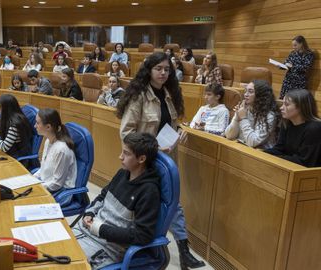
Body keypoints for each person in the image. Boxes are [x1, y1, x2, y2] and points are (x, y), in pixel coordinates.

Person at [116, 52, 205, 269]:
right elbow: (126, 132)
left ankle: (182, 252)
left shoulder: (168, 93)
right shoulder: (139, 96)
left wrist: (181, 130)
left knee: (172, 203)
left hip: (166, 160)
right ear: (149, 70)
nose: (163, 73)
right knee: (149, 202)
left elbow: (171, 123)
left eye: (167, 69)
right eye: (159, 69)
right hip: (144, 160)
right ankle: (171, 250)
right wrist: (152, 146)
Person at [73, 132, 161, 269]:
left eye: (126, 153)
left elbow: (143, 235)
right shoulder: (122, 174)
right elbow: (102, 196)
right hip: (87, 231)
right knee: (52, 247)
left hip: (107, 247)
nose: (120, 157)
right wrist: (89, 213)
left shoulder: (149, 191)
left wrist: (101, 229)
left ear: (142, 159)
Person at [265, 89, 321, 167]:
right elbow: (278, 149)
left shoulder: (315, 128)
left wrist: (275, 158)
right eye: (282, 104)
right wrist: (261, 153)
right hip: (289, 166)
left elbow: (304, 161)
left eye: (286, 104)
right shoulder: (287, 122)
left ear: (300, 107)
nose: (281, 108)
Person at [225, 80, 280, 149]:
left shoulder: (269, 116)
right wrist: (237, 117)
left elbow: (253, 142)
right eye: (245, 91)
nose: (245, 94)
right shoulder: (244, 109)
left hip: (261, 154)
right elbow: (229, 135)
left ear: (261, 95)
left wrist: (243, 118)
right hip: (243, 147)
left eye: (250, 92)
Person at [33, 108, 77, 193]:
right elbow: (43, 169)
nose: (35, 126)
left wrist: (36, 187)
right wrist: (31, 179)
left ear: (48, 127)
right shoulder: (48, 141)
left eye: (37, 123)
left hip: (60, 191)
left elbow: (56, 184)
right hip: (46, 184)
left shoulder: (62, 150)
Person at [0, 94, 34, 166]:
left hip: (17, 160)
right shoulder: (8, 119)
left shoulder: (14, 124)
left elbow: (4, 147)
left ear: (4, 108)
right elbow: (3, 140)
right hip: (9, 154)